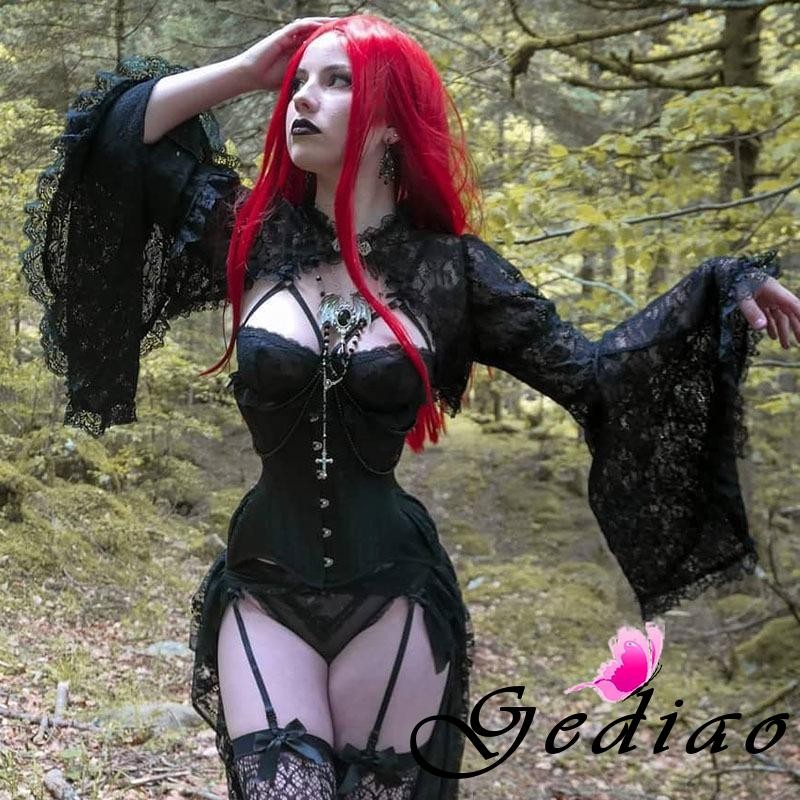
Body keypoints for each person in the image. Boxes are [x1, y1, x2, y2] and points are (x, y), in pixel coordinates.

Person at [19, 12, 800, 800]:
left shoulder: (451, 272)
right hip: (263, 587)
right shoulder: (247, 235)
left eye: (337, 82)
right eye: (299, 82)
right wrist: (250, 70)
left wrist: (717, 286)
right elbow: (118, 138)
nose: (303, 98)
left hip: (395, 594)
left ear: (391, 122)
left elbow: (596, 378)